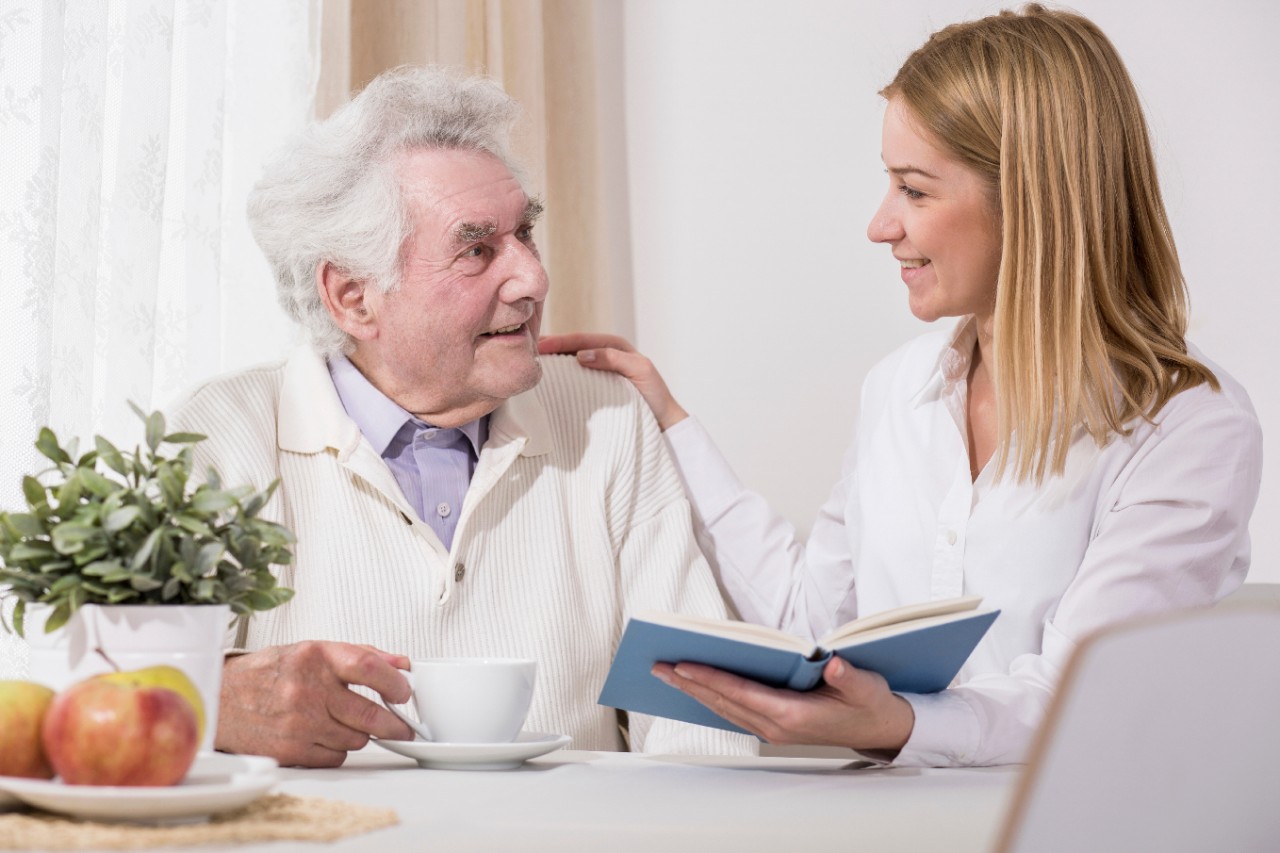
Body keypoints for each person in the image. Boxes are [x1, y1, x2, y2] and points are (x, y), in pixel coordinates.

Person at [540, 4, 1263, 767]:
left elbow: (1089, 696)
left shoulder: (1188, 429)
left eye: (914, 190)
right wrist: (667, 417)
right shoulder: (899, 391)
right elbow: (810, 623)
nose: (880, 225)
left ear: (1032, 201)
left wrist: (898, 723)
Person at [168, 66, 753, 767]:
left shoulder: (606, 417)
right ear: (353, 296)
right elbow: (108, 707)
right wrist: (211, 701)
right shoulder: (222, 438)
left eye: (525, 235)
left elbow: (701, 726)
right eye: (477, 249)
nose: (532, 278)